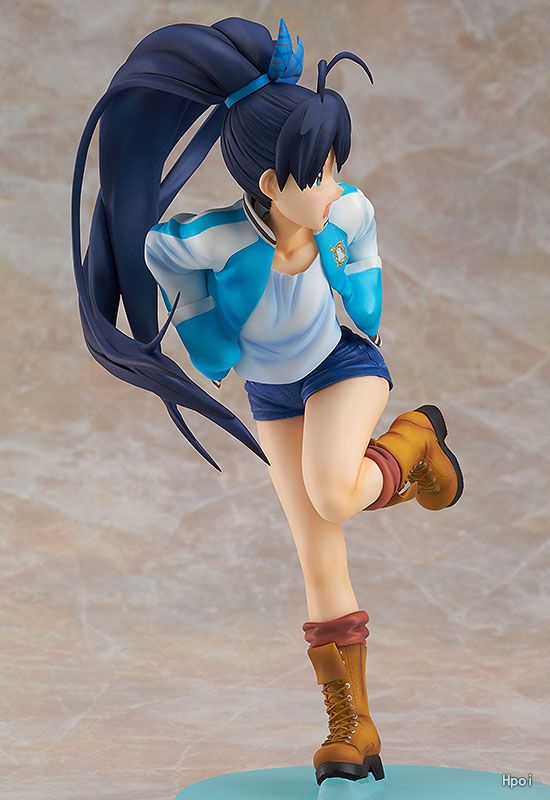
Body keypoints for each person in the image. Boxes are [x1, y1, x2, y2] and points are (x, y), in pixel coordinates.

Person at [71, 16, 463, 787]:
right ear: (270, 184)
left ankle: (412, 438)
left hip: (344, 366)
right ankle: (351, 725)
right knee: (317, 554)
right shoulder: (215, 238)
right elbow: (160, 253)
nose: (334, 186)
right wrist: (202, 327)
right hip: (273, 391)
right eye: (317, 174)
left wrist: (365, 289)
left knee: (333, 492)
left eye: (333, 167)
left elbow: (364, 233)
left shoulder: (343, 210)